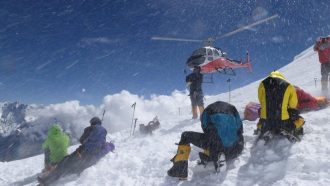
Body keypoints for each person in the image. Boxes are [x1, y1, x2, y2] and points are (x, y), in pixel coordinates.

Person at [167, 101, 244, 179]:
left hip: (217, 149)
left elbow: (205, 128)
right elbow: (240, 130)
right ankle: (218, 156)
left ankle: (180, 170)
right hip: (236, 150)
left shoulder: (207, 111)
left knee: (185, 135)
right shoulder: (232, 109)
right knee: (234, 137)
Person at [38, 117, 115, 185]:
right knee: (72, 167)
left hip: (81, 153)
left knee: (64, 164)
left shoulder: (89, 129)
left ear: (92, 123)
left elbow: (82, 140)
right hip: (90, 160)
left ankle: (45, 181)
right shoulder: (104, 133)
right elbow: (105, 148)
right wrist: (110, 146)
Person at [257, 71, 304, 141]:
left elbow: (261, 101)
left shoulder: (262, 84)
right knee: (300, 119)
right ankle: (287, 129)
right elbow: (293, 104)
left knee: (261, 121)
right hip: (283, 120)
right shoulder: (289, 86)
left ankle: (266, 129)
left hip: (266, 121)